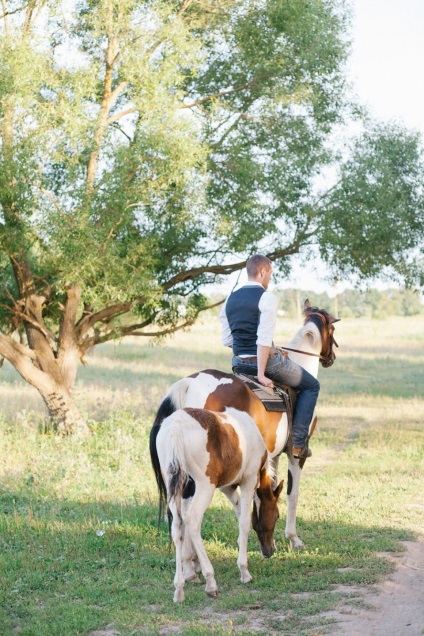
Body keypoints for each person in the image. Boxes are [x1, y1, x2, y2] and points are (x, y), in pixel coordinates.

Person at [219, 253, 319, 459]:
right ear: (262, 272)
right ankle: (298, 443)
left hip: (238, 363)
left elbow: (228, 340)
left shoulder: (230, 299)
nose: (270, 279)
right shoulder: (267, 298)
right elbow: (263, 341)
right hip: (263, 364)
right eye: (270, 274)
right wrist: (262, 374)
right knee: (311, 386)